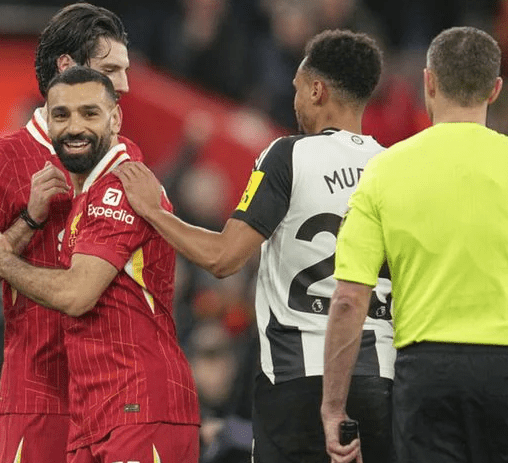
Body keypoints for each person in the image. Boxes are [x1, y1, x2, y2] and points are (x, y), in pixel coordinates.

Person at [321, 26, 508, 463]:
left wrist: (333, 407)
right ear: (495, 89)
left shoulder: (384, 171)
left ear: (429, 82)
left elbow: (349, 300)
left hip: (425, 375)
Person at [114, 29, 395, 461]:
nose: (295, 101)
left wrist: (154, 212)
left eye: (298, 88)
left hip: (297, 379)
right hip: (382, 378)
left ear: (317, 91)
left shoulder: (288, 156)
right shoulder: (393, 167)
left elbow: (223, 258)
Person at [0, 4, 144, 463]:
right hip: (38, 396)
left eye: (125, 70)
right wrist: (28, 222)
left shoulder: (126, 155)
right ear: (67, 67)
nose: (125, 86)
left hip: (116, 393)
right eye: (111, 70)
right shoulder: (4, 157)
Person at [0, 67, 200, 463]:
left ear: (115, 118)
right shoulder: (87, 193)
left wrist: (3, 261)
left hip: (138, 407)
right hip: (96, 413)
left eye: (89, 113)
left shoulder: (120, 188)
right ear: (47, 123)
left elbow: (77, 295)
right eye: (61, 115)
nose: (74, 127)